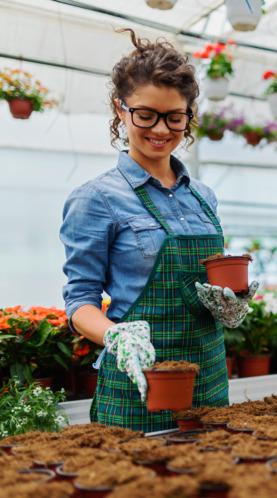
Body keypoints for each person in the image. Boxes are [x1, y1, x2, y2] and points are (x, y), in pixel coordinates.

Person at [60, 29, 256, 432]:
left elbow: (210, 276)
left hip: (209, 378)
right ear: (121, 109)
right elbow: (80, 303)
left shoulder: (202, 196)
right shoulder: (96, 198)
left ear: (189, 115)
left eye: (175, 117)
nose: (161, 130)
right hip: (137, 384)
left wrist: (226, 303)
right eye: (145, 115)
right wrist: (118, 337)